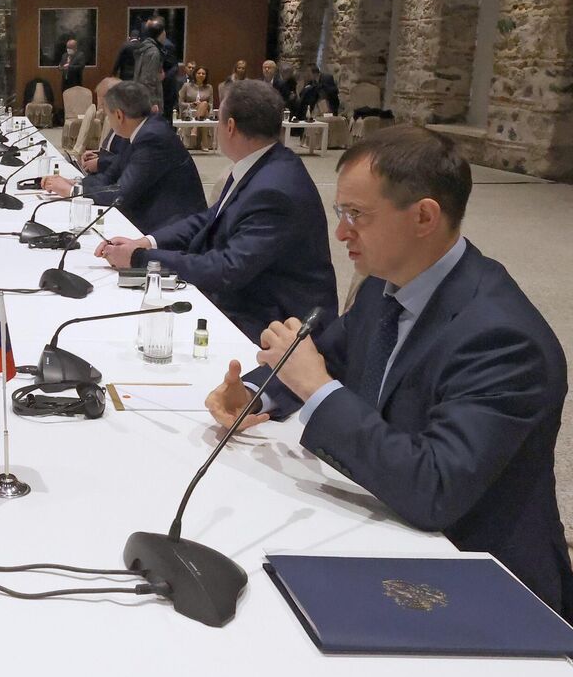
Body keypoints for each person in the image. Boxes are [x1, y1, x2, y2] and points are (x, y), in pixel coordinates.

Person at [205, 126, 573, 619]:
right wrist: (255, 394)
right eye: (340, 212)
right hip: (387, 521)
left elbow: (435, 489)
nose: (340, 232)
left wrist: (315, 386)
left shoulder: (504, 339)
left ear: (424, 216)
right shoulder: (388, 284)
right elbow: (328, 354)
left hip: (479, 578)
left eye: (356, 215)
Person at [96, 81, 337, 340]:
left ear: (230, 126)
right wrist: (145, 242)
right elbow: (210, 218)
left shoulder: (274, 188)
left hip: (275, 323)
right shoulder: (263, 163)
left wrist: (141, 258)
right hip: (249, 297)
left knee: (142, 330)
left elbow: (226, 270)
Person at [40, 81, 204, 234]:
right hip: (151, 218)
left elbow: (120, 195)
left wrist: (71, 191)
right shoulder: (141, 131)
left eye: (107, 114)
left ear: (119, 115)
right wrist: (76, 183)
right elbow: (110, 176)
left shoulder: (152, 138)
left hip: (171, 230)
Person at [178, 65, 216, 150]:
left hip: (204, 111)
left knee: (205, 104)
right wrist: (192, 104)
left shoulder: (209, 87)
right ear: (195, 74)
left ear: (206, 76)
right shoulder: (186, 86)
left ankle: (194, 128)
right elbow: (180, 103)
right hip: (189, 112)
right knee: (204, 108)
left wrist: (202, 105)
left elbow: (211, 104)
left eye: (203, 73)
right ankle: (204, 143)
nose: (201, 75)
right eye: (199, 73)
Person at [132, 20, 165, 110]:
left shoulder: (143, 47)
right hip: (149, 100)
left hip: (139, 95)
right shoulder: (153, 51)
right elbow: (149, 79)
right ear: (160, 33)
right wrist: (154, 103)